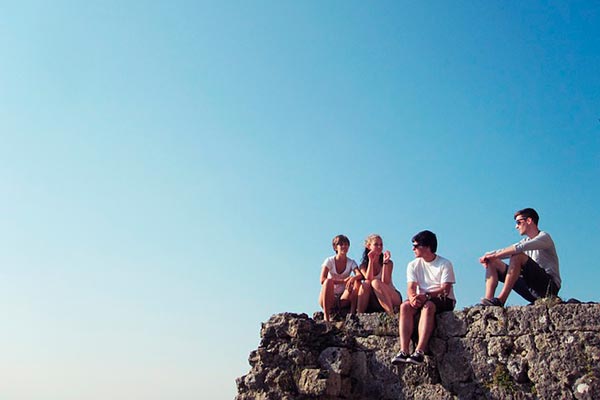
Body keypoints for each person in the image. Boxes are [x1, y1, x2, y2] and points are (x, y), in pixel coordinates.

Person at [392, 230, 456, 365]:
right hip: (422, 297)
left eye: (416, 246)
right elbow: (410, 286)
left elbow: (445, 289)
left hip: (442, 299)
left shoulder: (445, 263)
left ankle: (419, 351)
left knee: (428, 307)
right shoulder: (413, 265)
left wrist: (426, 296)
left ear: (427, 247)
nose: (413, 249)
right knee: (405, 306)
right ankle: (404, 350)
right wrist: (413, 297)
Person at [478, 208, 561, 307]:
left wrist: (494, 255)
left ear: (529, 221)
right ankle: (487, 302)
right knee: (493, 262)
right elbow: (508, 251)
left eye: (518, 222)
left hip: (549, 288)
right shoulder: (525, 241)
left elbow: (519, 248)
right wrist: (488, 256)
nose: (516, 226)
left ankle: (501, 300)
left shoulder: (544, 237)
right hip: (531, 289)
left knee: (517, 256)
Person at [319, 234, 363, 322]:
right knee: (328, 281)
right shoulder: (329, 261)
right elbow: (322, 279)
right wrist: (342, 281)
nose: (344, 246)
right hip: (329, 297)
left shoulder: (351, 262)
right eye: (341, 244)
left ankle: (352, 314)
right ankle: (326, 317)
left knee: (357, 282)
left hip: (343, 297)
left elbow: (360, 275)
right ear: (335, 247)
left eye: (346, 244)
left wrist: (352, 279)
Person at [357, 234, 402, 316]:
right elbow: (368, 278)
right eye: (376, 244)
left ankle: (391, 315)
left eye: (381, 245)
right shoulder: (363, 266)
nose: (379, 247)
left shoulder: (389, 263)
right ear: (369, 246)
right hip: (374, 299)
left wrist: (385, 263)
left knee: (376, 282)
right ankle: (359, 315)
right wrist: (371, 260)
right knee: (366, 283)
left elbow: (386, 281)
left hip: (391, 296)